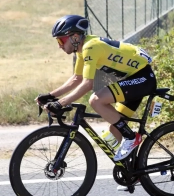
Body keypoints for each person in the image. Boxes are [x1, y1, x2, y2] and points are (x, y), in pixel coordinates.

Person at [35, 15, 157, 161]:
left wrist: (60, 103)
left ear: (74, 37)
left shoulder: (90, 47)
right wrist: (51, 95)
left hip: (142, 78)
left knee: (96, 100)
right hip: (133, 80)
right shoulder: (82, 49)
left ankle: (132, 138)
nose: (59, 45)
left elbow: (87, 84)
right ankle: (134, 171)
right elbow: (76, 79)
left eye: (61, 40)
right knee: (115, 131)